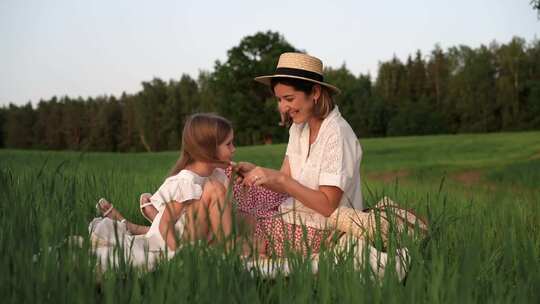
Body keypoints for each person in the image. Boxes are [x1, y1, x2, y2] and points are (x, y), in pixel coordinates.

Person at [234, 52, 364, 256]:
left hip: (322, 228)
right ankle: (235, 242)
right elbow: (285, 176)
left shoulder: (337, 134)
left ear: (315, 92)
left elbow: (329, 206)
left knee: (239, 238)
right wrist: (257, 173)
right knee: (226, 179)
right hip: (293, 213)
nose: (283, 107)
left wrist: (281, 181)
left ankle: (244, 247)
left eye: (289, 98)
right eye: (279, 99)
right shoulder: (299, 127)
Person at [91, 113, 235, 269]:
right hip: (170, 242)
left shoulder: (217, 175)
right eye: (229, 144)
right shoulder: (186, 182)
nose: (234, 149)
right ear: (207, 149)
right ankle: (229, 252)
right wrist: (178, 253)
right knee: (214, 190)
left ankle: (228, 248)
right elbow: (165, 226)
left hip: (197, 236)